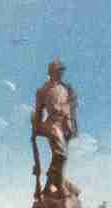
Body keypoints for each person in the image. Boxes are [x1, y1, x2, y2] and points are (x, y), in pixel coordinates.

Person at [32, 59, 79, 200]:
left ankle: (49, 187)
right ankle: (59, 185)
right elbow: (39, 111)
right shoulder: (43, 90)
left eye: (62, 70)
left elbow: (69, 109)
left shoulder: (65, 88)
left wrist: (70, 126)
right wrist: (36, 128)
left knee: (60, 157)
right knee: (61, 155)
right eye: (59, 70)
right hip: (51, 124)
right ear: (52, 72)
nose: (61, 73)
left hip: (63, 124)